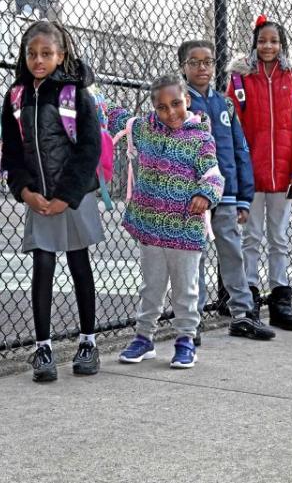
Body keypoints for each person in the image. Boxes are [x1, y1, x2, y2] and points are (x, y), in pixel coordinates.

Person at [0, 20, 105, 382]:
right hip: (38, 200)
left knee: (79, 265)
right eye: (32, 53)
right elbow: (12, 152)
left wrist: (65, 196)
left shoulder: (75, 94)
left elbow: (88, 148)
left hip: (72, 198)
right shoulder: (16, 96)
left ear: (61, 54)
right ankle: (42, 347)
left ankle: (88, 341)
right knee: (42, 267)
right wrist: (26, 191)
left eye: (46, 53)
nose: (38, 60)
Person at [111, 75, 224, 369]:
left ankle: (186, 338)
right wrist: (90, 95)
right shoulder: (145, 129)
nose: (170, 112)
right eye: (162, 107)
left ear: (187, 99)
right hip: (151, 228)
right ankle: (144, 337)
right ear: (153, 108)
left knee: (185, 289)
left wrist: (206, 194)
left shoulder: (201, 138)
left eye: (176, 104)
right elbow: (118, 118)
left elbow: (213, 174)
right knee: (151, 286)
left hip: (185, 229)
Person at [180, 39, 274, 343]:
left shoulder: (225, 104)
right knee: (195, 257)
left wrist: (244, 196)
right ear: (183, 67)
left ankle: (243, 314)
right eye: (194, 62)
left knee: (232, 252)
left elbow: (240, 151)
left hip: (227, 195)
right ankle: (190, 321)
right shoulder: (179, 103)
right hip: (194, 196)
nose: (202, 67)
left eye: (207, 61)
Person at [227, 16, 292, 331]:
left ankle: (280, 299)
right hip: (251, 175)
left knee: (278, 238)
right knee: (250, 237)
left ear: (282, 45)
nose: (268, 46)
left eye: (274, 41)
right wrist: (236, 171)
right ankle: (248, 299)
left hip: (284, 176)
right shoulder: (240, 80)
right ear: (254, 43)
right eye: (262, 41)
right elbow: (231, 128)